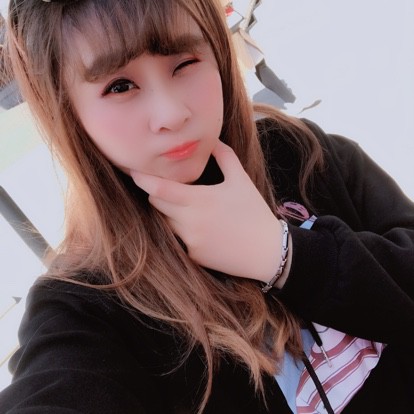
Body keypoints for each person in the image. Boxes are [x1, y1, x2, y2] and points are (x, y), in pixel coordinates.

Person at [0, 0, 413, 413]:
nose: (171, 114)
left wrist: (286, 256)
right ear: (68, 112)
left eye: (184, 63)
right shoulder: (86, 302)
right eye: (120, 87)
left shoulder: (303, 153)